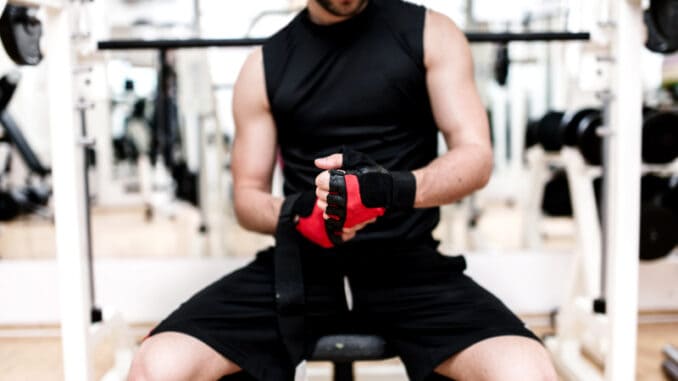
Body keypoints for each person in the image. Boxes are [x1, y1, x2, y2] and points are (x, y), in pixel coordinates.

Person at [128, 0, 558, 380]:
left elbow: (476, 156)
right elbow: (246, 194)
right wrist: (299, 217)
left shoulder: (432, 33)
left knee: (526, 371)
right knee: (156, 366)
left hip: (409, 267)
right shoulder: (264, 66)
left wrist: (389, 189)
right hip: (298, 271)